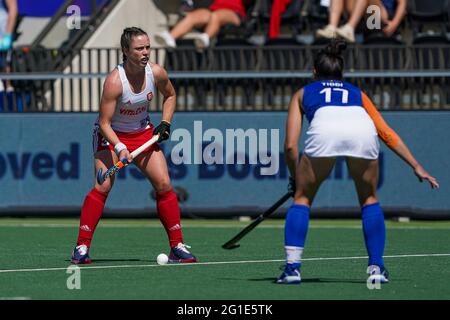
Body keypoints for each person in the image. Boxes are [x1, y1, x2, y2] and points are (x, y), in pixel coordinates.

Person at [276, 39, 439, 284]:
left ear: (314, 72)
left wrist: (294, 177)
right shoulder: (358, 94)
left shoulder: (302, 93)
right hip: (361, 132)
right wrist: (415, 165)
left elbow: (290, 146)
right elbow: (385, 132)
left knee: (302, 199)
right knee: (369, 199)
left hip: (324, 132)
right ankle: (376, 269)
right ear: (342, 74)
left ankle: (292, 270)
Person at [71, 27, 197, 264]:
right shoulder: (114, 82)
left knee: (164, 184)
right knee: (102, 187)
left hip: (143, 134)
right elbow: (104, 123)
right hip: (111, 136)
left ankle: (177, 247)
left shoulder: (156, 72)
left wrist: (165, 123)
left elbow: (170, 95)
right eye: (139, 48)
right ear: (126, 51)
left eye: (148, 47)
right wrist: (119, 147)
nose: (145, 52)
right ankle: (81, 247)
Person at [155, 0, 247, 50]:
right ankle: (170, 37)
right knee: (194, 16)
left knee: (216, 16)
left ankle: (205, 38)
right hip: (212, 10)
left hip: (235, 13)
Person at [0, 0, 17, 92]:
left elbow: (13, 8)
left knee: (5, 60)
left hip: (2, 29)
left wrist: (8, 35)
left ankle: (7, 86)